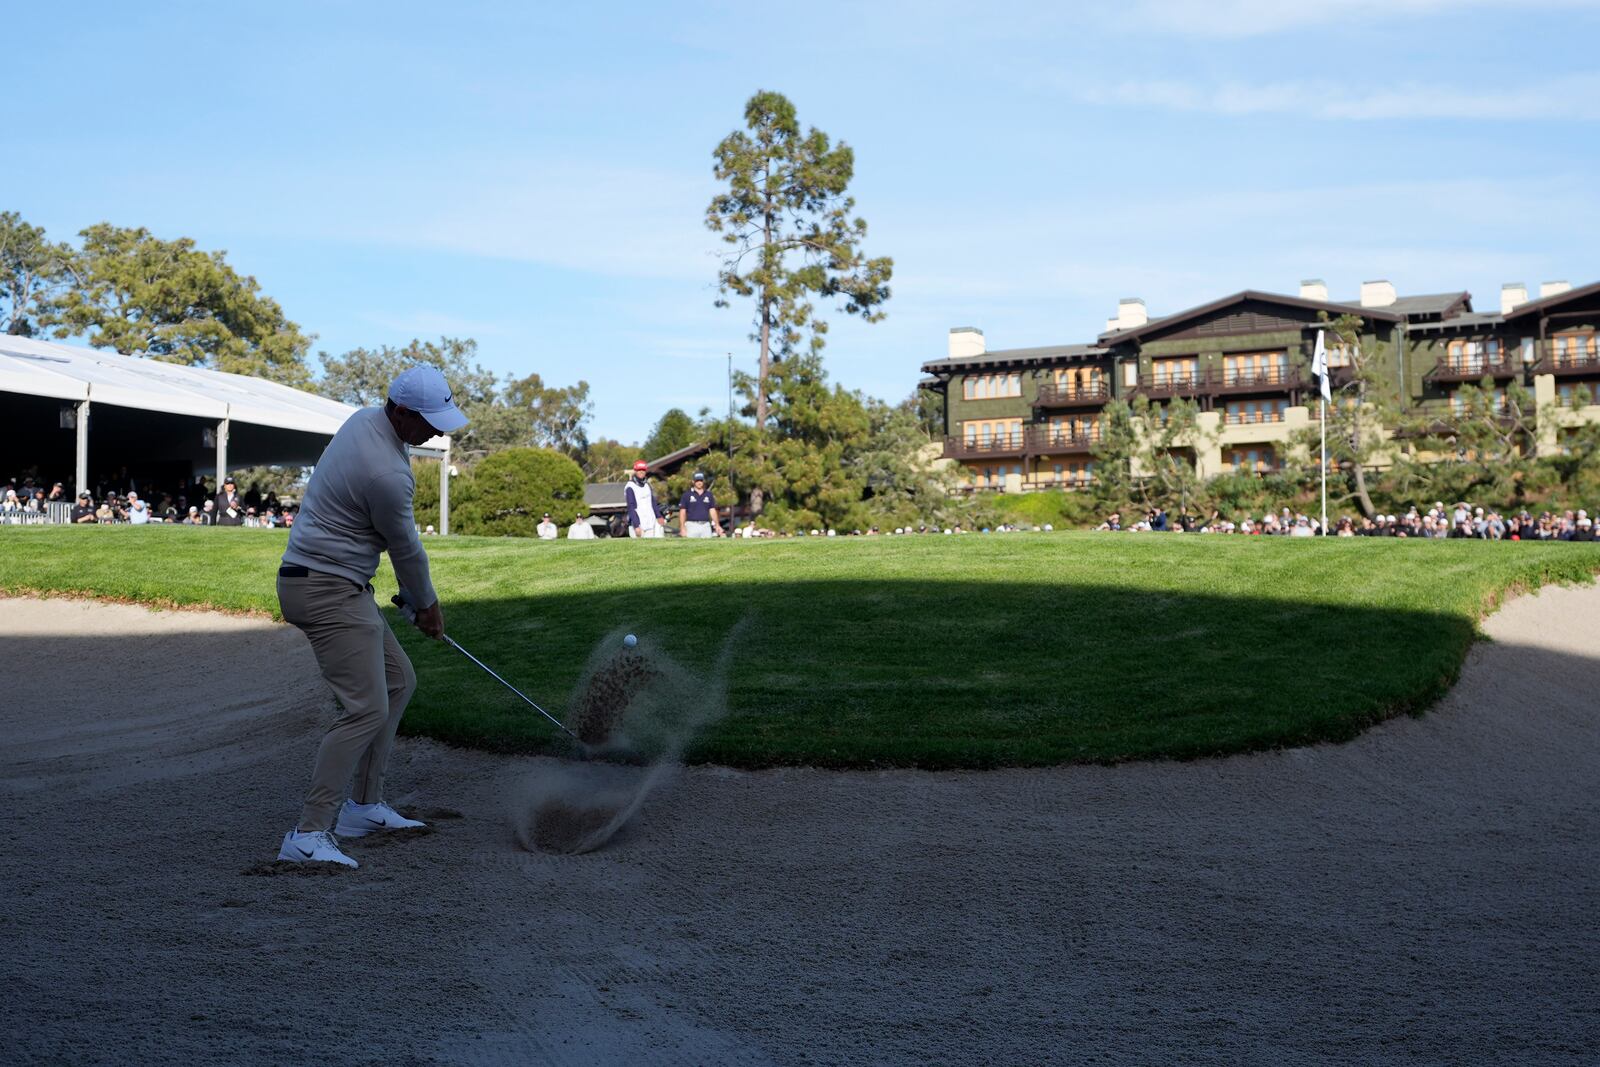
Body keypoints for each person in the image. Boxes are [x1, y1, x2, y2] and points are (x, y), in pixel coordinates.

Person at [273, 365, 467, 868]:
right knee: (364, 709)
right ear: (401, 411)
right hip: (326, 588)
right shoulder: (387, 472)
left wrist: (409, 597)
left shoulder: (365, 421)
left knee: (398, 681)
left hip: (334, 581)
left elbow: (368, 532)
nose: (439, 432)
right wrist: (427, 606)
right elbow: (407, 549)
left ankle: (362, 808)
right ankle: (309, 833)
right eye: (430, 421)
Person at [624, 460, 665, 538]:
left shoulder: (647, 485)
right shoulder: (630, 487)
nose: (641, 472)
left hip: (650, 523)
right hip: (638, 525)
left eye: (643, 470)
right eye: (639, 470)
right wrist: (636, 525)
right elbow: (631, 507)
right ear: (635, 471)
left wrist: (658, 516)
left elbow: (653, 502)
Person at [678, 471, 722, 538]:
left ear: (703, 481)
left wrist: (717, 525)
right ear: (693, 481)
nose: (699, 482)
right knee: (691, 546)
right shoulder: (687, 495)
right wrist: (682, 527)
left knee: (707, 546)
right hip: (691, 525)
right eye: (697, 480)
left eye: (701, 480)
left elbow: (712, 511)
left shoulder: (708, 495)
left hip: (706, 525)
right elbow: (682, 512)